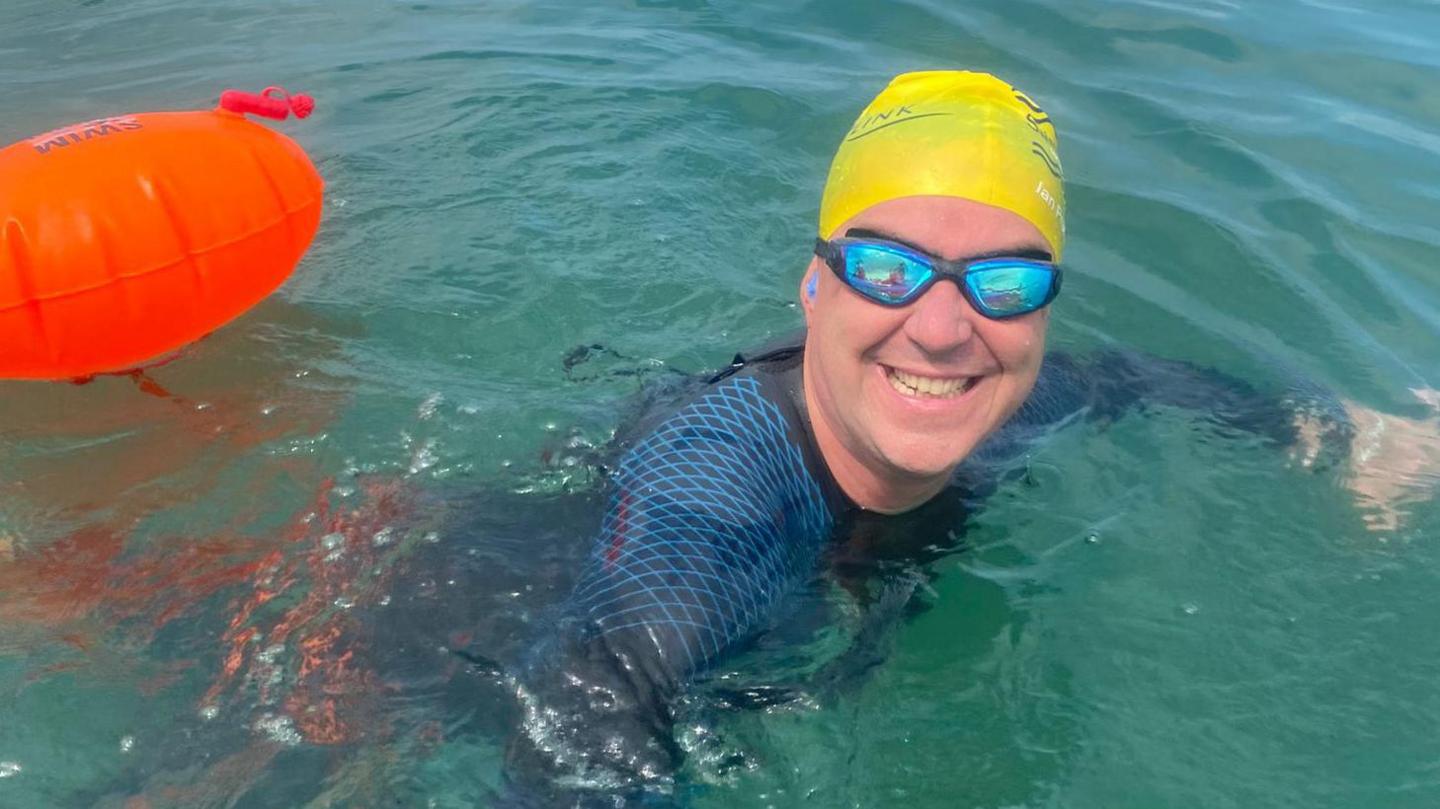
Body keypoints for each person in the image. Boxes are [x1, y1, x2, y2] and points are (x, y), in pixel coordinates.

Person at [488, 70, 1435, 804]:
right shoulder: (718, 486)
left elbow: (1131, 381)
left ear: (1040, 315)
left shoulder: (1006, 403)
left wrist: (1343, 435)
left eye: (1006, 283)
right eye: (885, 268)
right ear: (813, 287)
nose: (944, 329)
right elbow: (586, 694)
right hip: (435, 651)